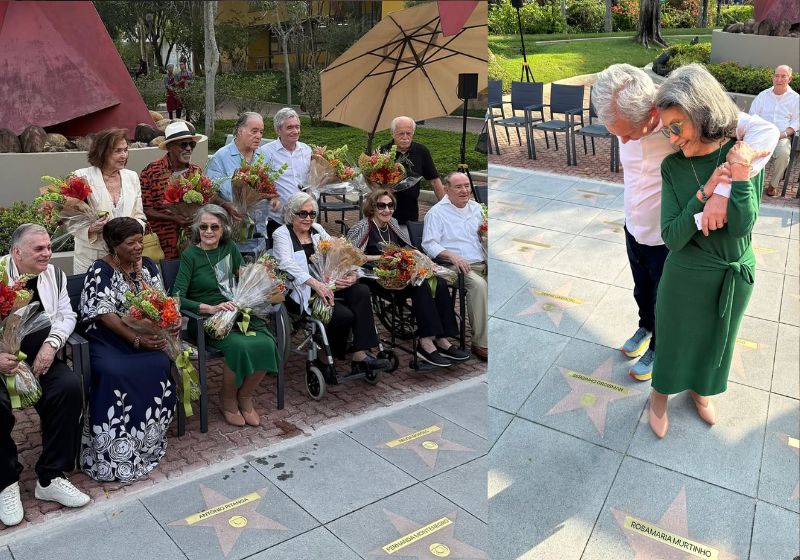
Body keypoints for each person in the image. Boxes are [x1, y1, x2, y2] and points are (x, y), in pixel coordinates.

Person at [592, 63, 777, 381]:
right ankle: (645, 328)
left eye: (628, 134)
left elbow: (765, 132)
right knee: (642, 290)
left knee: (665, 300)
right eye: (617, 135)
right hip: (634, 227)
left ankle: (660, 346)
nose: (623, 143)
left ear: (652, 114)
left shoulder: (679, 123)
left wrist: (723, 189)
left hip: (669, 237)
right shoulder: (630, 118)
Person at [648, 63, 773, 438]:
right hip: (686, 276)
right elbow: (671, 236)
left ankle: (703, 390)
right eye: (666, 129)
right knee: (673, 339)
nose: (671, 138)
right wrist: (704, 196)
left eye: (677, 126)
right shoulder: (672, 167)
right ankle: (659, 396)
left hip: (735, 271)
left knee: (720, 338)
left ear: (701, 112)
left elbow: (743, 224)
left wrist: (735, 178)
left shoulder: (742, 154)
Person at [0, 225, 89, 527]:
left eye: (49, 247)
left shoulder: (55, 275)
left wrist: (52, 345)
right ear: (17, 253)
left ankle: (50, 477)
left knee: (69, 388)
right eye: (39, 249)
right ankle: (5, 482)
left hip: (39, 355)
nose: (47, 254)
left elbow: (66, 315)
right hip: (1, 361)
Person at [78, 218, 176, 481]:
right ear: (113, 245)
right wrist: (135, 339)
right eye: (130, 242)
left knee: (158, 364)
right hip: (107, 337)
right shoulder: (101, 270)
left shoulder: (150, 268)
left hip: (144, 334)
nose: (137, 247)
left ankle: (145, 444)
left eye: (140, 241)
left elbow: (161, 302)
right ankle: (112, 453)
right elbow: (104, 314)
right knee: (114, 371)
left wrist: (167, 322)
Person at [172, 204, 278, 427]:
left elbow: (243, 278)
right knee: (240, 346)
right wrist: (210, 309)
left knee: (267, 343)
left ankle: (245, 396)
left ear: (223, 230)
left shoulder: (229, 248)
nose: (208, 231)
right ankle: (228, 399)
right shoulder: (191, 255)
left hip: (236, 313)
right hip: (207, 321)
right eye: (204, 227)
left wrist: (262, 282)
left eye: (214, 227)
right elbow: (177, 296)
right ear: (197, 229)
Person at [347, 189, 470, 367]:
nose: (387, 210)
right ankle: (426, 343)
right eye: (381, 205)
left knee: (439, 282)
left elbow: (407, 246)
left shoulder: (393, 223)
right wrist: (384, 258)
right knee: (419, 285)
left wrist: (423, 257)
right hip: (375, 275)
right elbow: (351, 257)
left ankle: (443, 339)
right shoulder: (363, 226)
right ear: (372, 207)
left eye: (390, 205)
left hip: (400, 271)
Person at [273, 192, 389, 375]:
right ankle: (323, 357)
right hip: (304, 290)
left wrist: (352, 274)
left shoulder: (318, 230)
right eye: (302, 213)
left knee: (361, 291)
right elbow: (286, 264)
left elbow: (340, 253)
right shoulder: (282, 234)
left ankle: (360, 355)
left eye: (312, 214)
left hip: (330, 285)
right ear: (291, 214)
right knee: (343, 315)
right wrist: (316, 285)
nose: (308, 218)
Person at [422, 172, 487, 362]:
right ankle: (481, 343)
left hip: (483, 261)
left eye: (467, 186)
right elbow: (429, 244)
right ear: (446, 189)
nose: (464, 190)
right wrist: (452, 255)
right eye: (458, 187)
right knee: (479, 286)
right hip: (454, 266)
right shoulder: (437, 213)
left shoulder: (477, 208)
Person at [72, 129, 147, 275]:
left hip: (125, 258)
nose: (124, 155)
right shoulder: (81, 177)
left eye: (125, 150)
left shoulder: (132, 177)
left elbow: (139, 216)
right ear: (103, 152)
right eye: (117, 151)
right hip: (91, 258)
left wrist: (132, 239)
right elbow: (70, 218)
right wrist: (90, 228)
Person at [140, 121, 204, 260]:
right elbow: (146, 209)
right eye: (183, 144)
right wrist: (173, 218)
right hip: (164, 242)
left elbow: (203, 201)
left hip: (193, 239)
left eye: (191, 144)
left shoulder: (196, 171)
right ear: (169, 147)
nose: (189, 148)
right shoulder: (151, 172)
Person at [206, 112, 271, 233]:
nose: (259, 136)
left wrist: (272, 198)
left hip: (258, 227)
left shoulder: (263, 156)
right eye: (254, 131)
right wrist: (226, 205)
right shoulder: (220, 156)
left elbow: (268, 187)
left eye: (261, 132)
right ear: (239, 131)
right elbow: (209, 192)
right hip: (228, 226)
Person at [380, 116, 445, 228]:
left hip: (410, 213)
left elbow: (434, 180)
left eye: (409, 133)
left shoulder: (421, 151)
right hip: (384, 212)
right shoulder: (382, 152)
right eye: (401, 133)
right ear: (392, 133)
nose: (405, 137)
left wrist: (445, 206)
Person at [748, 65, 799, 197]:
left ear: (790, 79)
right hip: (762, 135)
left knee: (783, 155)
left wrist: (783, 134)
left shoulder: (795, 98)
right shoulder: (763, 95)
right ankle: (750, 181)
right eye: (776, 76)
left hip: (781, 136)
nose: (779, 79)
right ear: (773, 77)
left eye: (783, 76)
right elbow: (753, 114)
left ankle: (773, 185)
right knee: (749, 153)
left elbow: (796, 122)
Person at [264, 108, 312, 238]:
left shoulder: (307, 151)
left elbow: (313, 180)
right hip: (278, 219)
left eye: (297, 127)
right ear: (278, 130)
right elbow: (259, 184)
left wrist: (313, 197)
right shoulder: (265, 153)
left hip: (304, 219)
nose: (295, 131)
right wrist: (271, 197)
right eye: (290, 127)